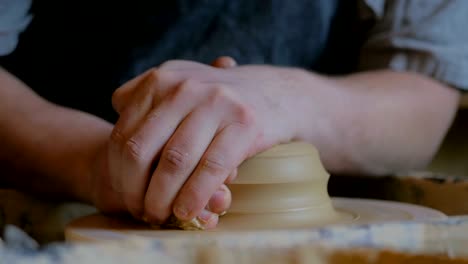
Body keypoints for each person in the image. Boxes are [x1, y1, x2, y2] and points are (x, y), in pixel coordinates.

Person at [0, 0, 466, 229]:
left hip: (300, 223)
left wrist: (281, 97)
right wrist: (97, 164)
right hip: (64, 192)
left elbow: (423, 95)